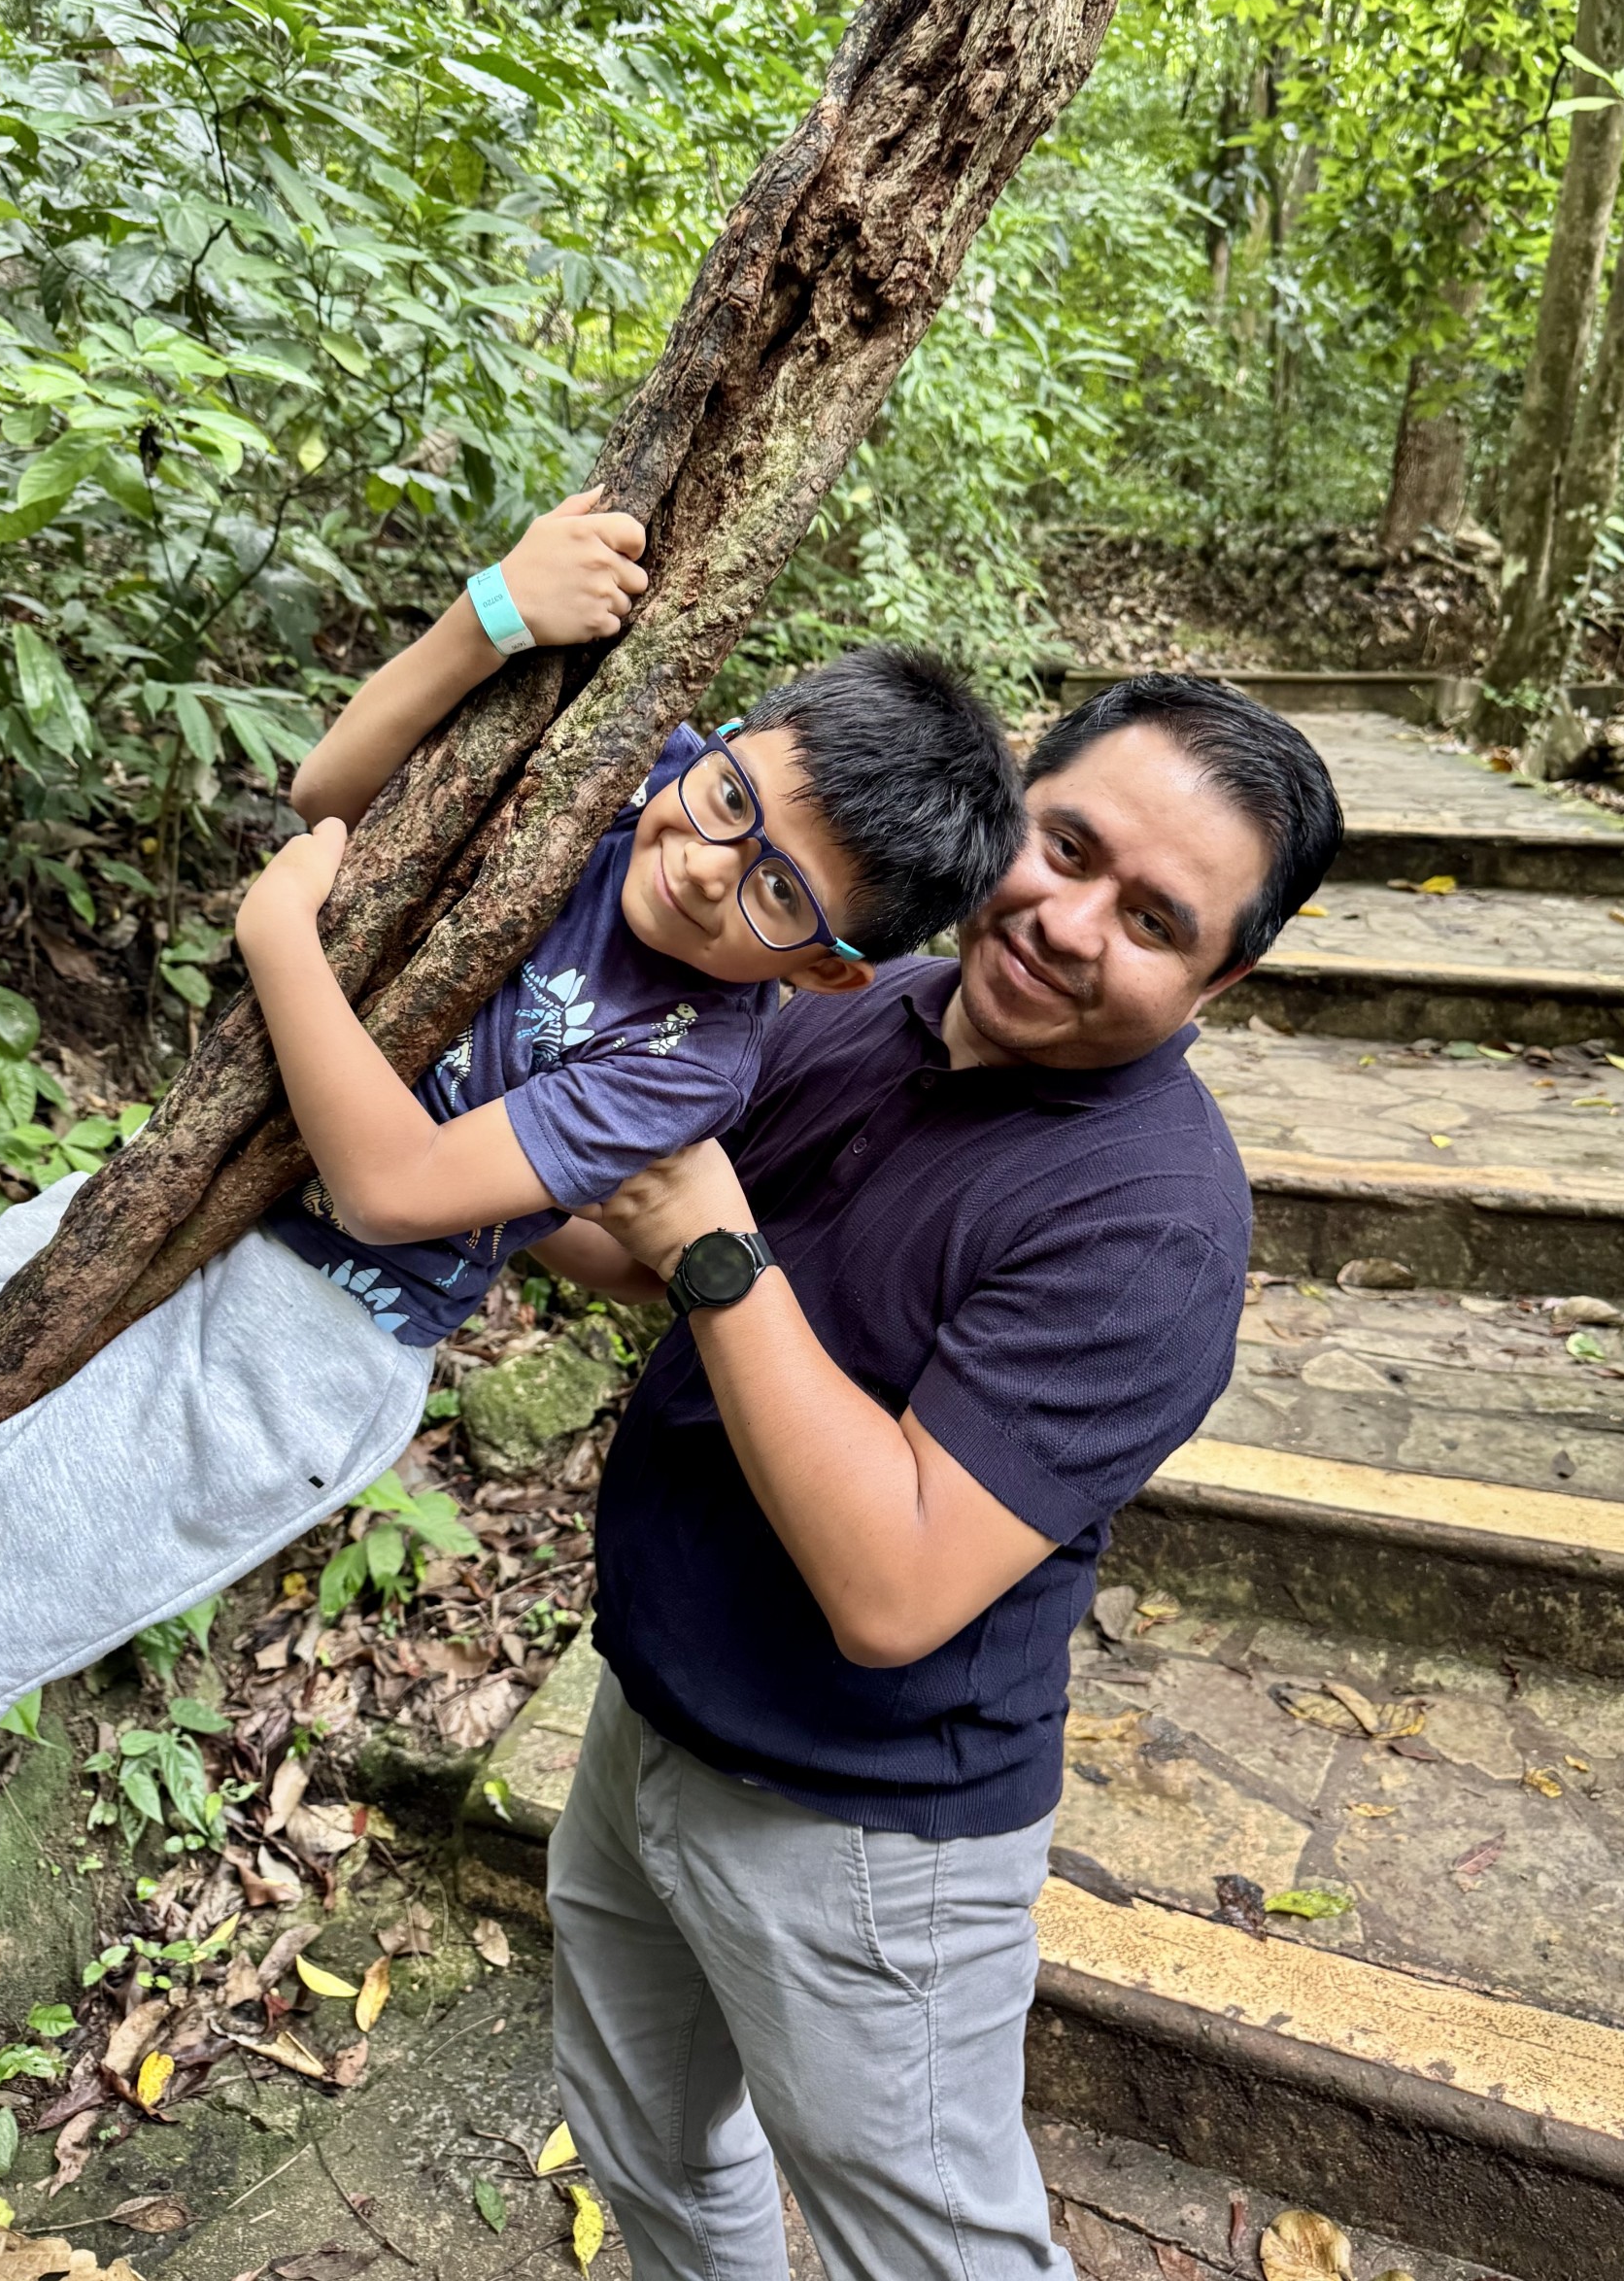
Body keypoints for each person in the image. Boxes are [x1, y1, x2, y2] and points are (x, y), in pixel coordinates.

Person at [0, 497, 1025, 1807]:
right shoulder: (633, 771)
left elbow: (390, 1191)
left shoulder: (689, 1060)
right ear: (726, 742)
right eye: (731, 800)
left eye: (776, 892)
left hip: (308, 1343)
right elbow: (338, 795)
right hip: (183, 1195)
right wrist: (496, 613)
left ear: (826, 969)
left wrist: (281, 948)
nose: (709, 865)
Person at [524, 673, 1343, 2281]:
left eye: (1156, 919)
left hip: (866, 1838)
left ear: (1221, 980)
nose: (1063, 920)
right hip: (650, 1713)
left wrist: (705, 1239)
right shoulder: (863, 998)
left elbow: (896, 1584)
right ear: (1013, 806)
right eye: (1066, 844)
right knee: (645, 2144)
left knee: (932, 2243)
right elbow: (645, 1248)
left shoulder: (1151, 1225)